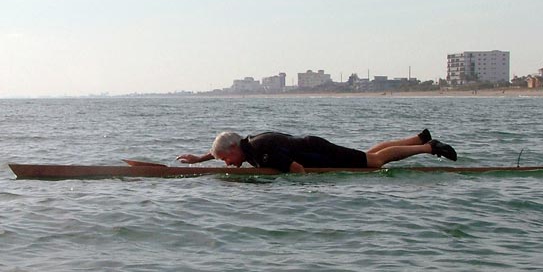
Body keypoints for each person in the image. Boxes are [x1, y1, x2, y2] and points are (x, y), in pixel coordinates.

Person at [176, 129, 457, 173]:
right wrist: (198, 159)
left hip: (318, 152)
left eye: (226, 159)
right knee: (368, 153)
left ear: (234, 149)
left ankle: (428, 147)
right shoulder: (247, 145)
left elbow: (297, 171)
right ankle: (418, 137)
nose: (226, 164)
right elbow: (222, 149)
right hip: (313, 143)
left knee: (375, 162)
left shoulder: (262, 154)